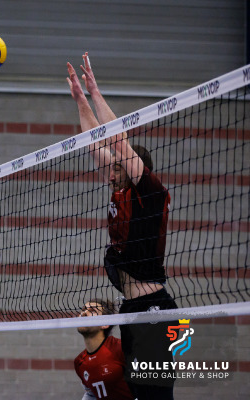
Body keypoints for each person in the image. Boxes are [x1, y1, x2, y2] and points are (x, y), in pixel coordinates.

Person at [67, 52, 177, 399]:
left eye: (117, 167)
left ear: (133, 169)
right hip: (131, 309)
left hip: (154, 307)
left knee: (156, 394)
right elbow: (94, 144)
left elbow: (117, 142)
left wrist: (96, 92)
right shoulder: (120, 190)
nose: (109, 172)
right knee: (137, 392)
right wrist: (80, 99)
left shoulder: (150, 192)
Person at [74, 299, 134, 400]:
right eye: (83, 310)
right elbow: (91, 394)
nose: (84, 313)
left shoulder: (122, 348)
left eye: (93, 311)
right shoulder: (79, 362)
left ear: (105, 324)